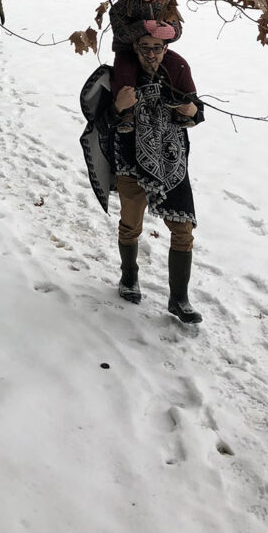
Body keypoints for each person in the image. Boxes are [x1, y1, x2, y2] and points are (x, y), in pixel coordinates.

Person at [79, 35, 205, 324]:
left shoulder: (177, 73)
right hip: (130, 164)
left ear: (166, 48)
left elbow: (197, 112)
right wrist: (118, 107)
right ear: (134, 48)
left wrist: (193, 112)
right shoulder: (121, 78)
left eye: (157, 48)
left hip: (172, 162)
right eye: (145, 47)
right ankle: (129, 278)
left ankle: (179, 299)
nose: (152, 54)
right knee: (130, 225)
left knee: (183, 229)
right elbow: (101, 121)